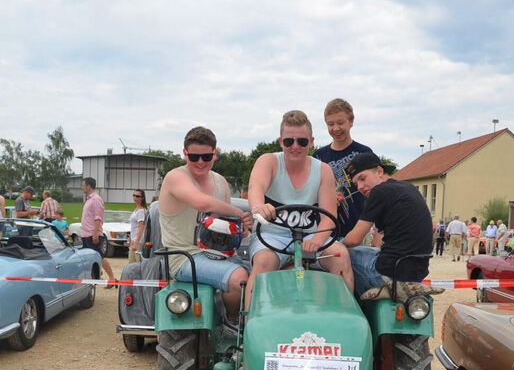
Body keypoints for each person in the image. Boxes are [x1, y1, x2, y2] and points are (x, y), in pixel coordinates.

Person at [246, 109, 354, 304]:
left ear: (311, 142)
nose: (295, 146)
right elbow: (255, 188)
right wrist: (258, 207)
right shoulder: (268, 161)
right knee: (263, 262)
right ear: (281, 142)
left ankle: (344, 314)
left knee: (342, 257)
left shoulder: (323, 170)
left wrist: (319, 239)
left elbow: (329, 215)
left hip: (311, 235)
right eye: (289, 141)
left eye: (302, 142)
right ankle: (250, 323)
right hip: (272, 236)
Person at [158, 126, 252, 330]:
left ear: (214, 154)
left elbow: (228, 225)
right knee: (240, 280)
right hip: (186, 257)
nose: (200, 162)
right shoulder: (176, 177)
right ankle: (234, 326)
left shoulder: (221, 182)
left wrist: (242, 227)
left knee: (261, 277)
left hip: (221, 254)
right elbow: (202, 203)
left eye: (206, 156)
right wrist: (239, 213)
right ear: (185, 154)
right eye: (194, 156)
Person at [342, 153, 442, 301]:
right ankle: (389, 290)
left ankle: (353, 305)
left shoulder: (379, 191)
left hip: (390, 271)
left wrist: (336, 245)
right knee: (367, 251)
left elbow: (353, 240)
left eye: (362, 178)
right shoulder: (407, 187)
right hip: (417, 271)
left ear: (379, 171)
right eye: (356, 184)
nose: (360, 187)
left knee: (340, 255)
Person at [313, 99, 376, 237]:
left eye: (340, 123)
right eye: (330, 124)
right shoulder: (317, 157)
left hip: (358, 228)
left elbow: (375, 191)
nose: (336, 128)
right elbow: (310, 191)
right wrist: (328, 197)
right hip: (324, 231)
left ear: (351, 121)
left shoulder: (364, 152)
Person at [80, 177, 117, 286]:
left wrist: (95, 234)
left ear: (88, 186)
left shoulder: (96, 199)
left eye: (83, 185)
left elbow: (98, 218)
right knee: (90, 258)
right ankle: (96, 275)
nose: (82, 187)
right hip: (86, 234)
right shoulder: (89, 199)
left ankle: (112, 278)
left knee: (99, 256)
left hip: (92, 235)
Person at [128, 189, 148, 263]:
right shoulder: (136, 210)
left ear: (142, 198)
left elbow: (141, 227)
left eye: (137, 196)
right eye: (134, 195)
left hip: (138, 241)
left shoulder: (141, 211)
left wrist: (136, 243)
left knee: (138, 264)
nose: (135, 197)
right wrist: (130, 238)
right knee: (131, 264)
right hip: (133, 240)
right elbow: (133, 226)